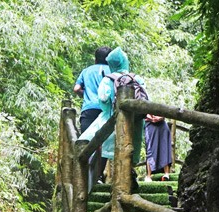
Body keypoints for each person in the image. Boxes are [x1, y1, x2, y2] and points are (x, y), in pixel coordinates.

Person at [79, 47, 145, 186]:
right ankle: (128, 176)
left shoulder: (108, 79)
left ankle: (92, 179)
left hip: (111, 120)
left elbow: (102, 99)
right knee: (129, 149)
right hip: (135, 122)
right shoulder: (136, 78)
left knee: (87, 143)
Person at [74, 46, 112, 134]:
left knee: (86, 143)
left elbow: (76, 89)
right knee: (105, 143)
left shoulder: (86, 71)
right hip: (107, 111)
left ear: (95, 59)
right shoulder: (113, 72)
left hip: (89, 109)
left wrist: (85, 94)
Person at [144, 114, 172, 182]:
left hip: (162, 124)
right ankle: (148, 176)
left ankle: (166, 174)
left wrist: (160, 117)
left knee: (164, 148)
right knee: (150, 149)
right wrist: (151, 118)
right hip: (150, 124)